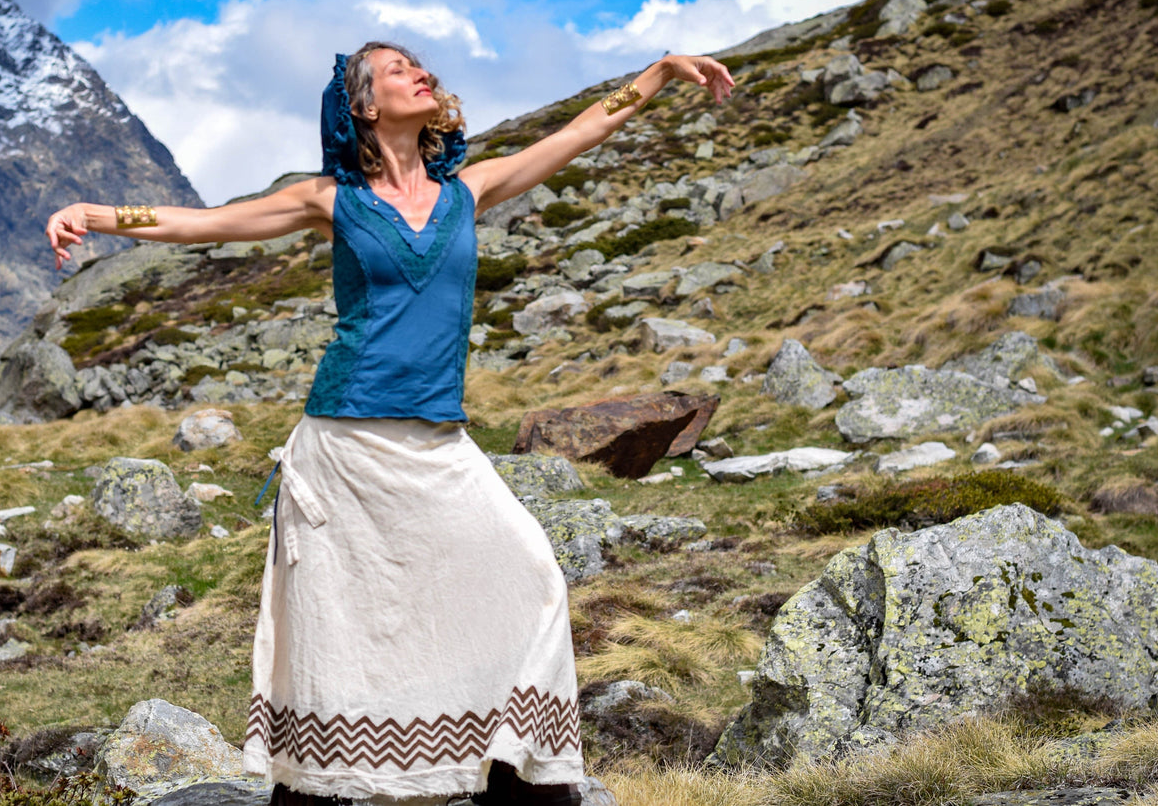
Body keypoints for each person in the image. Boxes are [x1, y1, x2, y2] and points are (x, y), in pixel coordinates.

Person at [45, 42, 734, 805]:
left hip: (438, 441)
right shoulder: (330, 200)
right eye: (399, 68)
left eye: (422, 66)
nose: (422, 73)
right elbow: (209, 224)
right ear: (365, 107)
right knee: (340, 623)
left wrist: (660, 73)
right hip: (342, 443)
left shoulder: (466, 190)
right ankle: (314, 789)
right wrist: (95, 215)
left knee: (532, 576)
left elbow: (578, 132)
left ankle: (510, 775)